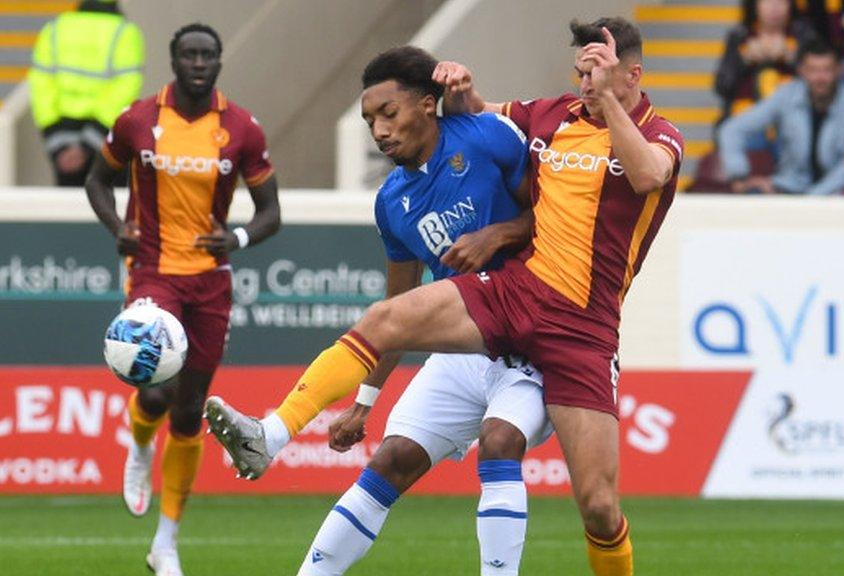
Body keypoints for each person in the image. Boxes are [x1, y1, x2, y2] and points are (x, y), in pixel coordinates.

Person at [207, 16, 680, 576]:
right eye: (580, 72)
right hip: (514, 292)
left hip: (583, 329)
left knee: (599, 509)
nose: (585, 85)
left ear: (633, 74)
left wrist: (607, 103)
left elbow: (649, 177)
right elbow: (482, 116)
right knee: (387, 319)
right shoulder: (548, 117)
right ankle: (272, 434)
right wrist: (459, 87)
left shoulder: (661, 135)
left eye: (597, 73)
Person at [284, 46, 553, 576]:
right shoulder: (391, 201)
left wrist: (496, 234)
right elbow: (396, 311)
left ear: (428, 105)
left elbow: (553, 219)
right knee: (391, 460)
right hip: (462, 350)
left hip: (532, 338)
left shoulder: (485, 135)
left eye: (388, 113)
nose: (379, 130)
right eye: (369, 121)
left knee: (500, 442)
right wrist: (364, 403)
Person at [84, 23, 280, 576]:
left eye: (208, 55)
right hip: (153, 272)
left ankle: (165, 543)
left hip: (210, 281)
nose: (199, 62)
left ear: (219, 62)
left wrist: (236, 238)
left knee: (191, 409)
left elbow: (271, 212)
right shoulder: (137, 119)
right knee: (157, 391)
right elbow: (99, 181)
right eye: (189, 54)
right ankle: (141, 446)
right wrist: (113, 227)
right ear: (174, 61)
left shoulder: (240, 127)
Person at [718, 40, 844, 195]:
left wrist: (812, 198)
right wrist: (738, 174)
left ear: (840, 70)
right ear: (801, 71)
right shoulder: (786, 95)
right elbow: (732, 129)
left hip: (838, 193)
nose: (820, 78)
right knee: (752, 197)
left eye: (827, 70)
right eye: (813, 70)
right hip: (788, 187)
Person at [29, 0, 144, 186]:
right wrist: (90, 142)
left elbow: (40, 85)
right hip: (106, 134)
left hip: (61, 134)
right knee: (110, 205)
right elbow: (126, 87)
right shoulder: (125, 32)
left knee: (68, 209)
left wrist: (57, 142)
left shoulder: (55, 28)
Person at [714, 0, 816, 122]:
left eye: (781, 2)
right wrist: (744, 60)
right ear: (755, 5)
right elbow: (722, 86)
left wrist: (791, 59)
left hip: (792, 119)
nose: (774, 8)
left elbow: (820, 85)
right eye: (767, 1)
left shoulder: (803, 36)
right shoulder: (740, 36)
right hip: (744, 118)